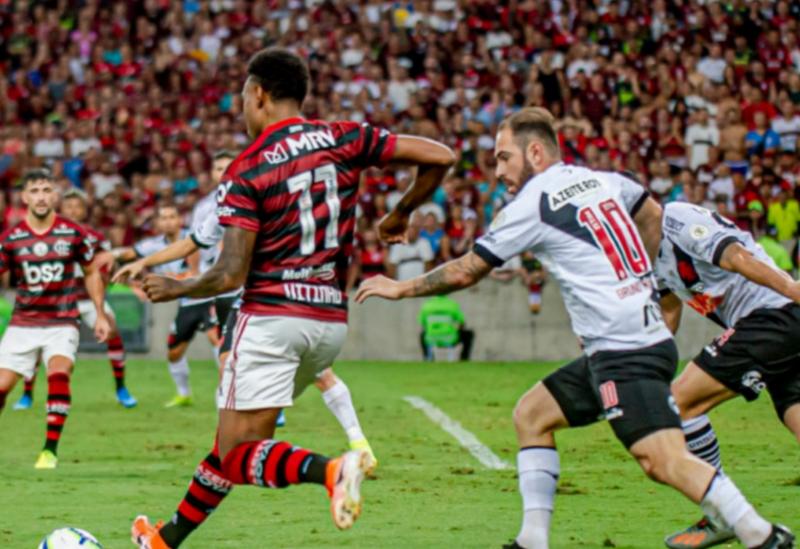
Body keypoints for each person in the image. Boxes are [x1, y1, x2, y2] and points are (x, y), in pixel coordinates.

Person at [355, 107, 793, 549]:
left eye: (504, 157)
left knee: (661, 460)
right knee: (532, 414)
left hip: (626, 349)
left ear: (536, 151)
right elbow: (649, 213)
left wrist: (401, 287)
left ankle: (759, 534)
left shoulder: (531, 204)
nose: (498, 170)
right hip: (632, 341)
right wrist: (639, 280)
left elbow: (467, 271)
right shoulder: (605, 181)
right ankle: (532, 540)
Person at [130, 47, 455, 548]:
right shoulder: (344, 136)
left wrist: (178, 285)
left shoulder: (248, 167)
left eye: (242, 97)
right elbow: (440, 156)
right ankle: (165, 540)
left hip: (270, 319)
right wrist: (400, 212)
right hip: (328, 324)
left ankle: (333, 471)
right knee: (230, 445)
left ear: (258, 94)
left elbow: (230, 272)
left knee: (241, 455)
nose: (241, 108)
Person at [652, 202, 800, 549]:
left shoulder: (677, 220)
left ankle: (721, 513)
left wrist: (794, 290)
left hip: (771, 316)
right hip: (778, 330)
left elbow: (737, 258)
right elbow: (669, 315)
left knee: (680, 403)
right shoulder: (649, 258)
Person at [0, 169, 111, 469]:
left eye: (46, 190)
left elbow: (91, 272)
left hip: (62, 320)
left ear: (54, 196)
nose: (40, 196)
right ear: (24, 198)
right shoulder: (11, 238)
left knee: (58, 373)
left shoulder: (73, 233)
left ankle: (49, 450)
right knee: (1, 387)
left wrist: (100, 314)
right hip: (23, 322)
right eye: (34, 191)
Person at [13, 188, 137, 410]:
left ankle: (121, 388)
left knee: (113, 330)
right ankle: (27, 394)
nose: (72, 210)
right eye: (68, 206)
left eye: (76, 206)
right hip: (56, 301)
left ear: (83, 210)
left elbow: (121, 257)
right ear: (61, 208)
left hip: (87, 298)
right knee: (36, 345)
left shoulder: (94, 236)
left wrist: (112, 261)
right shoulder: (47, 234)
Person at [113, 203, 216, 408]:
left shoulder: (197, 236)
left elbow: (207, 267)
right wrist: (110, 255)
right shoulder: (154, 245)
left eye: (172, 216)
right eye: (164, 217)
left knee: (220, 344)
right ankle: (184, 394)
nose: (168, 221)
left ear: (180, 220)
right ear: (158, 223)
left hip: (209, 298)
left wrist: (172, 279)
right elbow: (129, 254)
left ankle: (228, 393)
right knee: (174, 352)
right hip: (186, 304)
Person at [418, 295, 473, 361]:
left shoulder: (427, 305)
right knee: (469, 334)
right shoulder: (452, 304)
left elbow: (422, 322)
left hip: (431, 338)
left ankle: (428, 358)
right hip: (450, 338)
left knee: (422, 334)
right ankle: (464, 358)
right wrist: (456, 329)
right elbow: (462, 322)